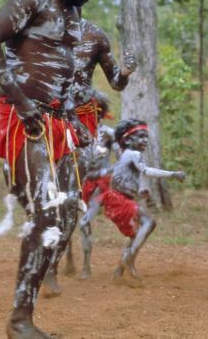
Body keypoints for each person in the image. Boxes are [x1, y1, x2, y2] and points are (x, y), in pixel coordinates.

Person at [0, 0, 112, 338]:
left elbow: (66, 70)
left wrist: (74, 118)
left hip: (59, 122)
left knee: (68, 212)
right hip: (25, 119)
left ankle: (26, 311)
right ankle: (20, 320)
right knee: (48, 212)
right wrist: (21, 101)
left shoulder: (74, 10)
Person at [42, 15, 137, 293]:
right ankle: (40, 260)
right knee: (42, 198)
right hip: (44, 119)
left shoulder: (95, 35)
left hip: (81, 126)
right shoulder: (41, 28)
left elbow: (116, 82)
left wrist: (127, 71)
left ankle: (52, 268)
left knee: (70, 202)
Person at [87, 119, 185, 287]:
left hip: (116, 199)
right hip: (118, 200)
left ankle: (119, 272)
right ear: (127, 139)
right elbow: (146, 171)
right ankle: (128, 260)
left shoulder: (125, 155)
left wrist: (139, 194)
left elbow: (123, 180)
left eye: (146, 137)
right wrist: (172, 174)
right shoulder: (134, 154)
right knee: (149, 222)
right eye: (140, 137)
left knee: (135, 235)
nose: (145, 140)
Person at [55, 91, 118, 280]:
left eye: (96, 111)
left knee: (84, 223)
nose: (93, 116)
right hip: (75, 182)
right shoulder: (75, 132)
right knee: (66, 222)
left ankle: (86, 266)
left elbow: (122, 159)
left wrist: (109, 172)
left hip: (99, 185)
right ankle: (68, 260)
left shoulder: (109, 134)